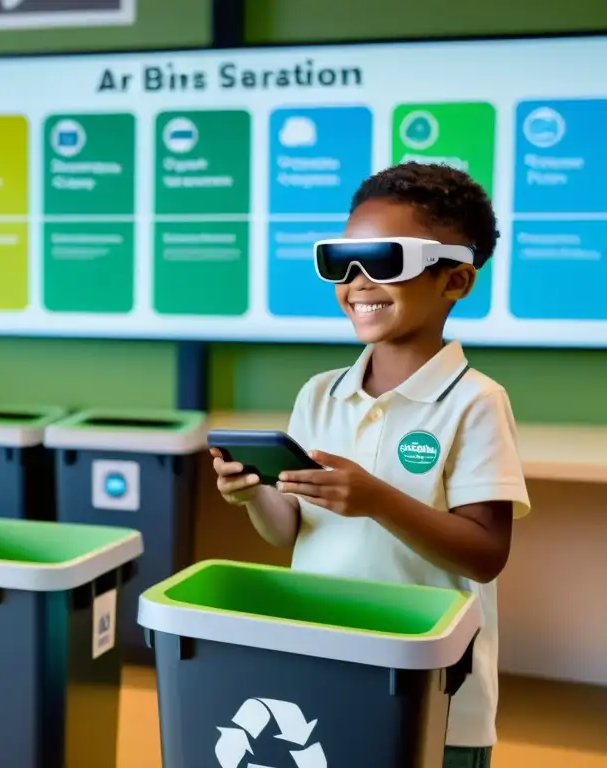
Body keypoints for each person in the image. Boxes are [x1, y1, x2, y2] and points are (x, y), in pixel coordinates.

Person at [212, 162, 530, 768]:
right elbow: (289, 530)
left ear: (456, 280)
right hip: (324, 663)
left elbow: (486, 554)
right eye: (341, 261)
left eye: (386, 260)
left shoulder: (476, 402)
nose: (358, 280)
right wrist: (254, 494)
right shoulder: (319, 393)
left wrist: (378, 499)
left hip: (430, 684)